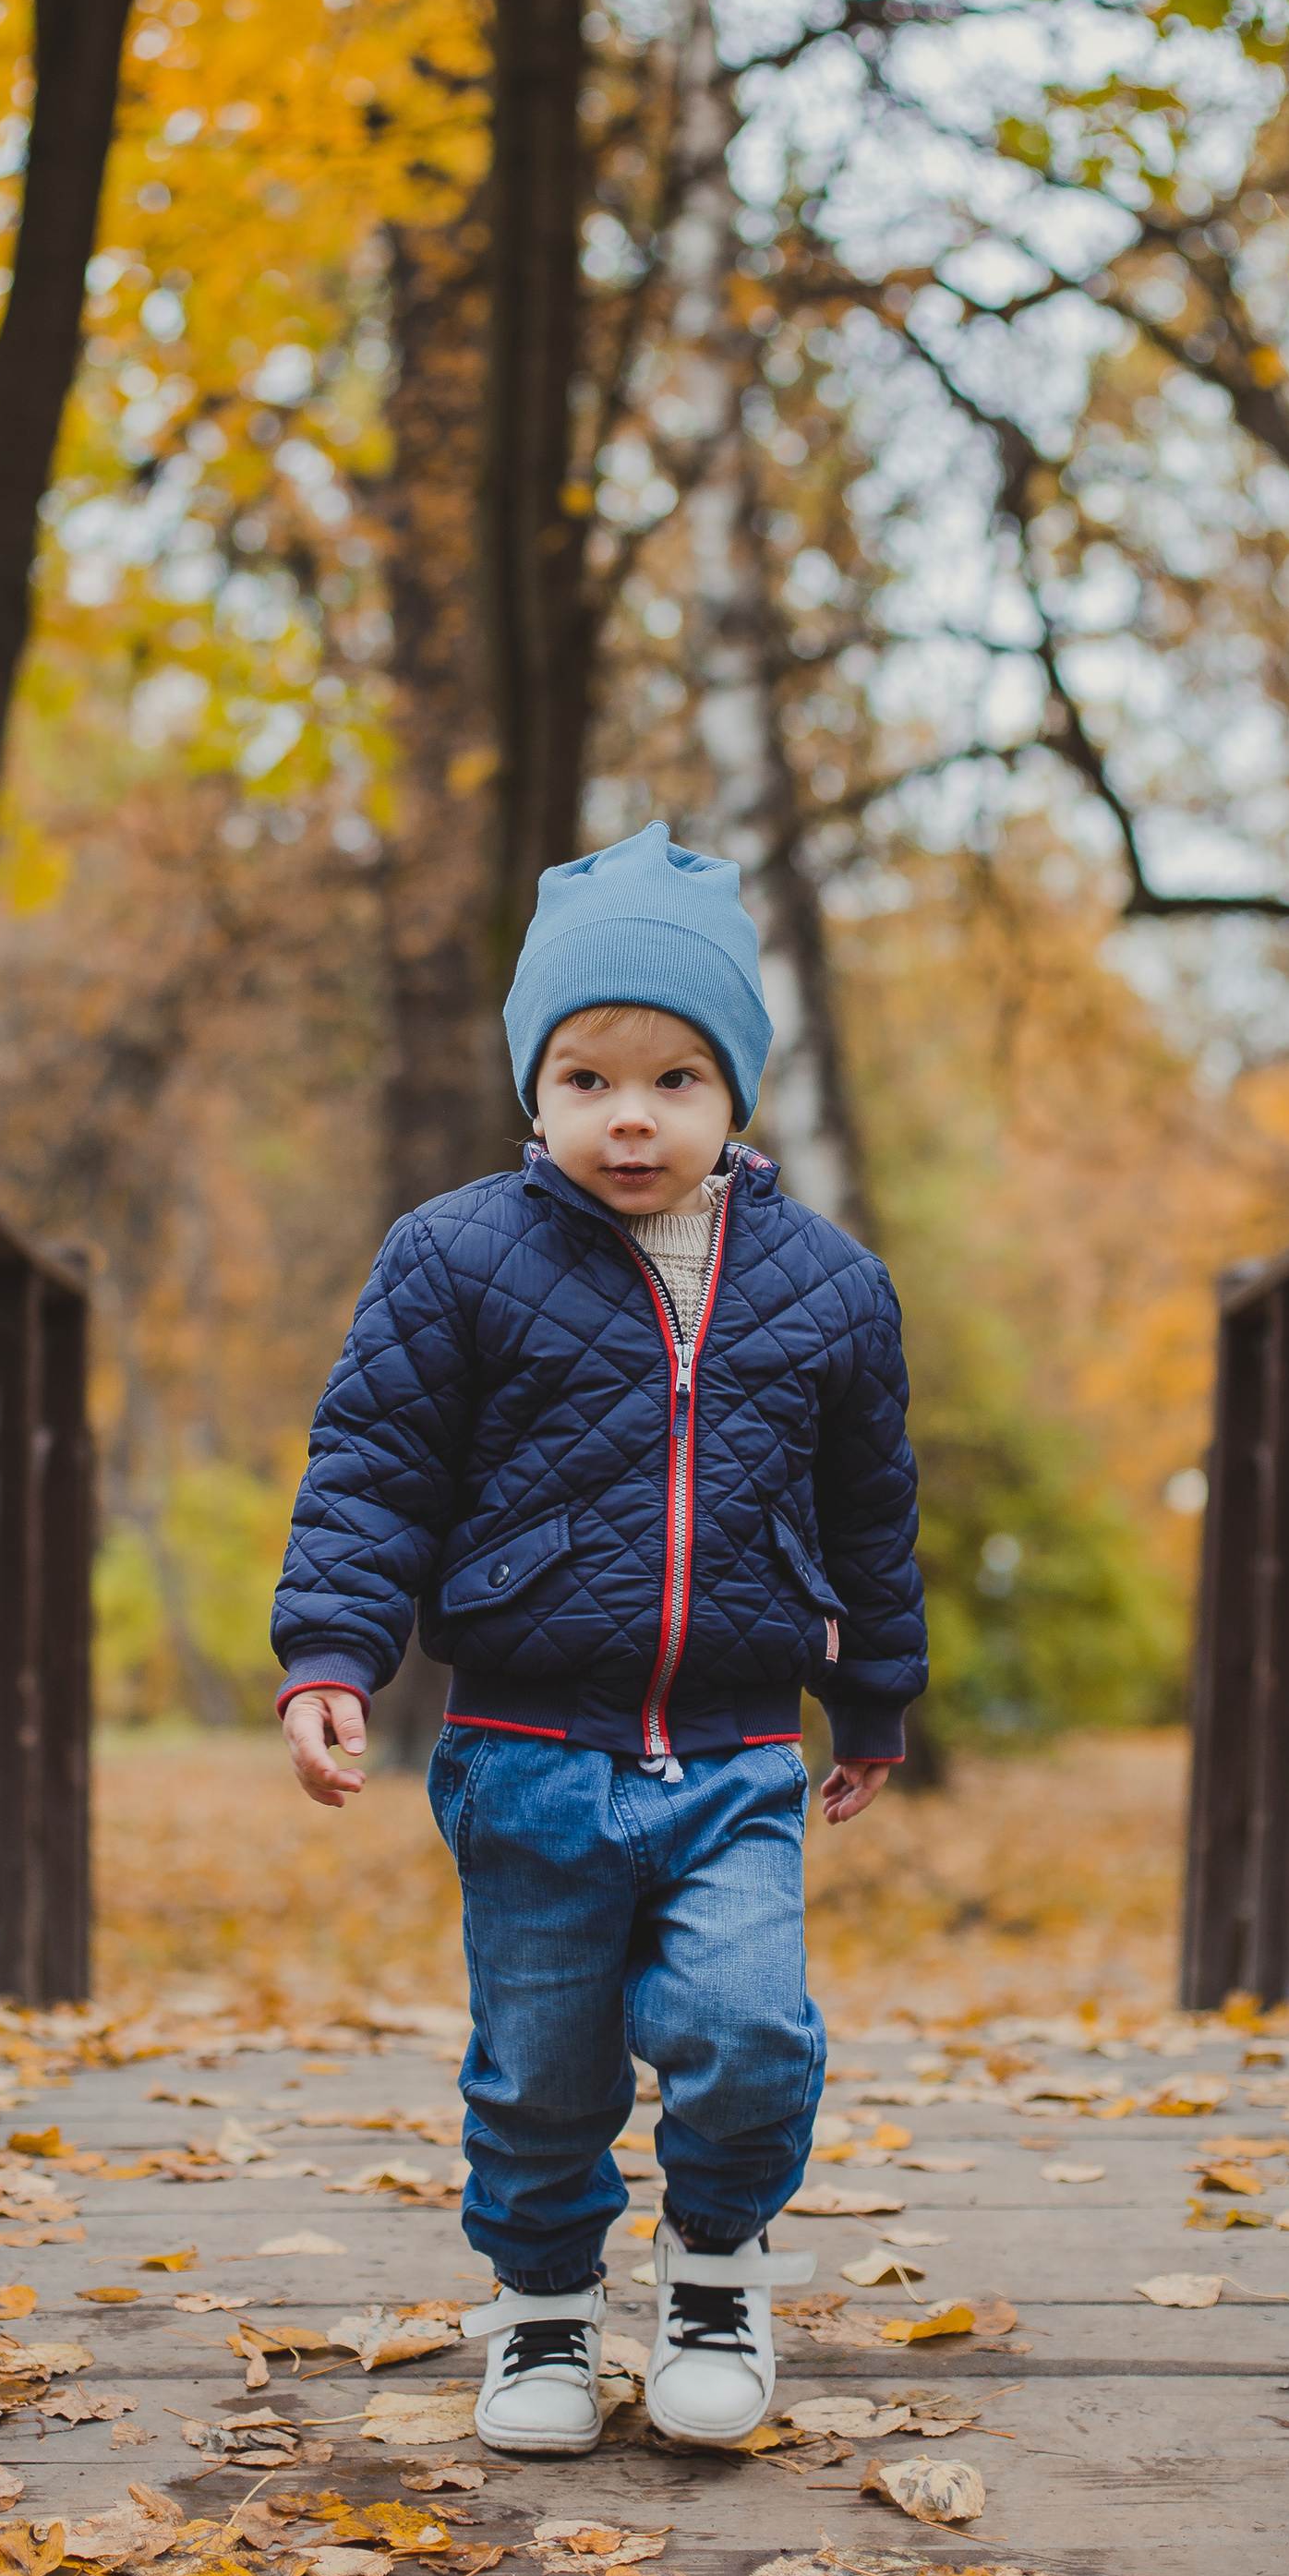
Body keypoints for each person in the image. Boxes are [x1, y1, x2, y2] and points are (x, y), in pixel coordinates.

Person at [271, 819, 928, 2458]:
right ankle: (546, 2308)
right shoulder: (456, 1260)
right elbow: (371, 1472)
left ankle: (716, 2261)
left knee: (748, 2027)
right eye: (584, 1077)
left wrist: (880, 1697)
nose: (629, 1115)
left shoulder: (831, 1290)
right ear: (534, 1092)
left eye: (675, 1079)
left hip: (734, 1751)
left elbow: (871, 1511)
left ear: (736, 1095)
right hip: (523, 1750)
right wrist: (332, 1660)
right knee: (544, 2067)